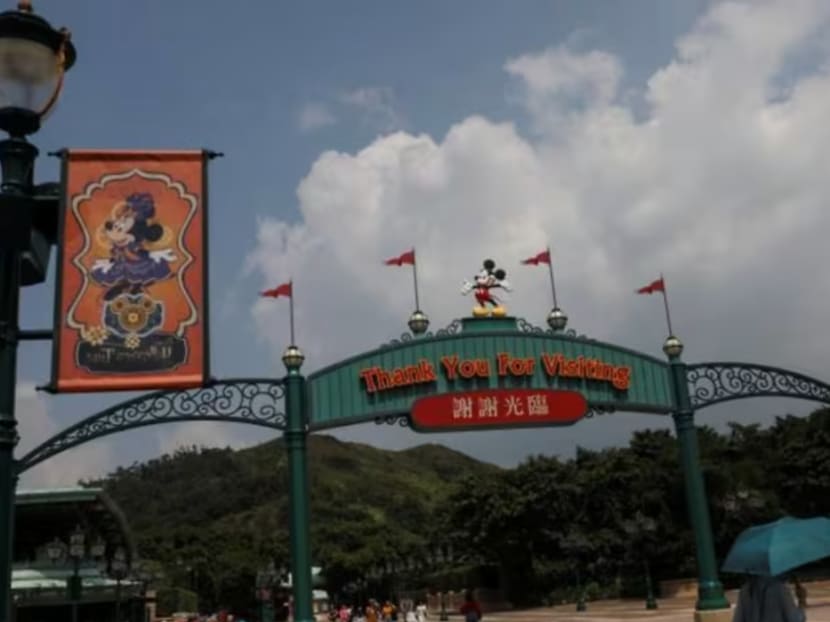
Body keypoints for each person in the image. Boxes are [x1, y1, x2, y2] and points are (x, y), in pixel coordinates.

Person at [732, 575, 805, 622]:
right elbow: (795, 619)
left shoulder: (745, 590)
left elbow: (738, 619)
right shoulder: (780, 589)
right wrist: (801, 601)